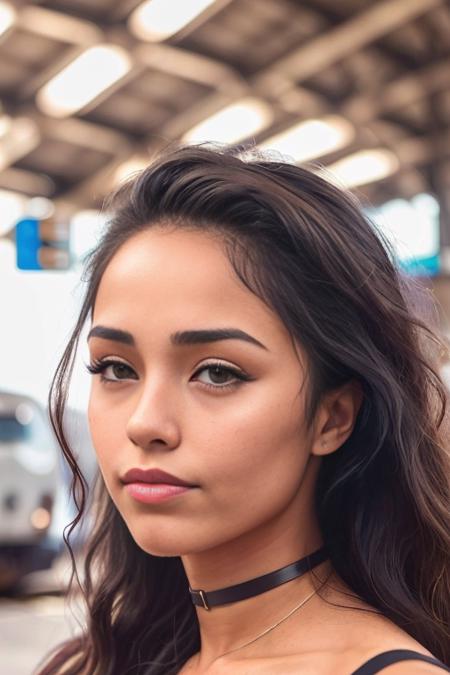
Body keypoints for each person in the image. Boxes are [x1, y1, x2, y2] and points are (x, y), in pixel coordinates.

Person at [37, 145, 449, 675]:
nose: (145, 423)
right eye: (116, 368)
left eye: (217, 373)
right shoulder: (92, 662)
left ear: (333, 417)